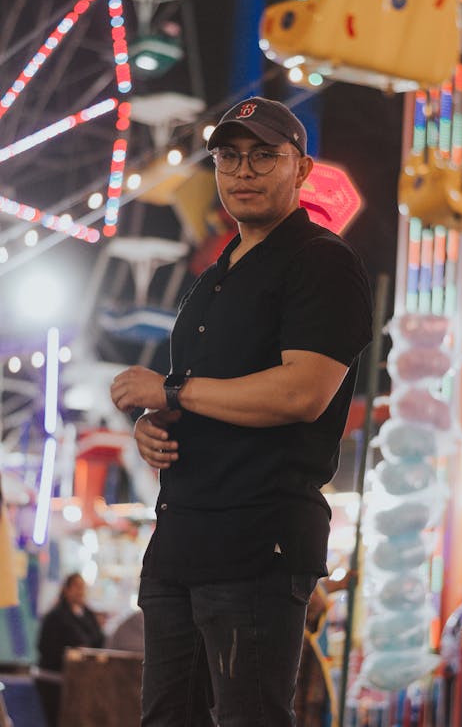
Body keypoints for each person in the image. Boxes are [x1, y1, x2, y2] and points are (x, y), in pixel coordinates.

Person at [110, 96, 373, 727]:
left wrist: (172, 392)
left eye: (264, 155)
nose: (244, 171)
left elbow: (300, 392)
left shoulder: (321, 262)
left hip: (259, 538)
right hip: (181, 537)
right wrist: (156, 429)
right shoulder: (215, 274)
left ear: (301, 169)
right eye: (229, 156)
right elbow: (204, 393)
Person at [35, 572, 104, 727]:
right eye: (77, 586)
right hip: (54, 681)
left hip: (80, 680)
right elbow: (45, 647)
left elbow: (98, 639)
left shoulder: (88, 615)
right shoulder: (55, 616)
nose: (80, 591)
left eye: (83, 587)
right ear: (66, 589)